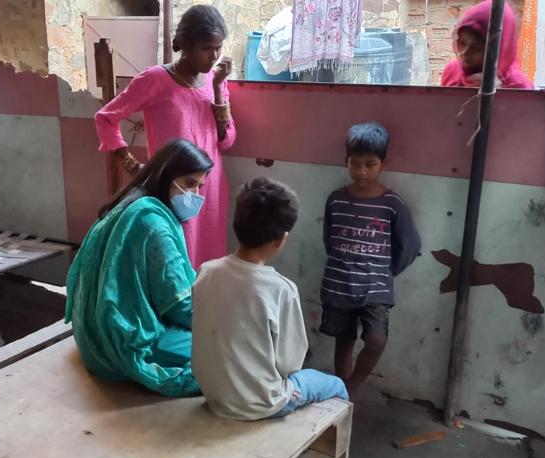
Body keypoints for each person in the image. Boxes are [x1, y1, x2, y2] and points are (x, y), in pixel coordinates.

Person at [65, 139, 213, 397]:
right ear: (166, 175)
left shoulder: (132, 203)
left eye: (200, 186)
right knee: (228, 351)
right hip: (119, 344)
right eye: (189, 183)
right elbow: (179, 306)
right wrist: (226, 322)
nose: (195, 195)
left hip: (91, 333)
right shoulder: (154, 225)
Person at [193, 178, 348, 421]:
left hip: (213, 395)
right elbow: (290, 365)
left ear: (236, 224)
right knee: (336, 384)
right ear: (280, 239)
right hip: (263, 404)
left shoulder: (206, 271)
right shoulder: (281, 290)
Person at [95, 5, 235, 268]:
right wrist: (134, 167)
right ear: (185, 45)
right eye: (207, 48)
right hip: (174, 191)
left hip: (210, 190)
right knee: (173, 264)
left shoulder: (215, 81)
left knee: (208, 269)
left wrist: (217, 90)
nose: (214, 56)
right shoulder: (155, 80)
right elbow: (105, 118)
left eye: (219, 47)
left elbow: (226, 141)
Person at [320, 122, 421, 396]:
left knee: (376, 340)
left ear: (383, 164)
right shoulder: (335, 200)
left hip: (376, 288)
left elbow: (410, 245)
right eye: (355, 164)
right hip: (338, 283)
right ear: (346, 162)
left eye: (369, 164)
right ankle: (340, 391)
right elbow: (330, 240)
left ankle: (350, 389)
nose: (361, 171)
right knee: (344, 339)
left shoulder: (392, 204)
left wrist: (386, 273)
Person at [441, 0, 534, 89]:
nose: (464, 53)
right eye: (462, 43)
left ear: (498, 50)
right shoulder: (452, 73)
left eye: (476, 48)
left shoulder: (519, 88)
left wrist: (497, 94)